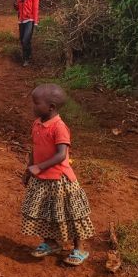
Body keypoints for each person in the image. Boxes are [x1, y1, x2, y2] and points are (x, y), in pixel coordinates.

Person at [22, 84, 94, 267]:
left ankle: (79, 248)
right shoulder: (37, 124)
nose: (33, 107)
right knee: (42, 211)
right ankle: (51, 243)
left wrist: (39, 167)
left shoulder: (59, 127)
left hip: (60, 179)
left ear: (51, 107)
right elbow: (34, 149)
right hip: (41, 179)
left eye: (36, 103)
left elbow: (61, 154)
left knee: (72, 213)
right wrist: (28, 170)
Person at [15, 0, 40, 67]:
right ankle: (27, 55)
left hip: (30, 20)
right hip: (21, 20)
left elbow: (35, 8)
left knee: (26, 40)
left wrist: (36, 22)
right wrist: (15, 6)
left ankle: (27, 59)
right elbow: (17, 7)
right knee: (22, 40)